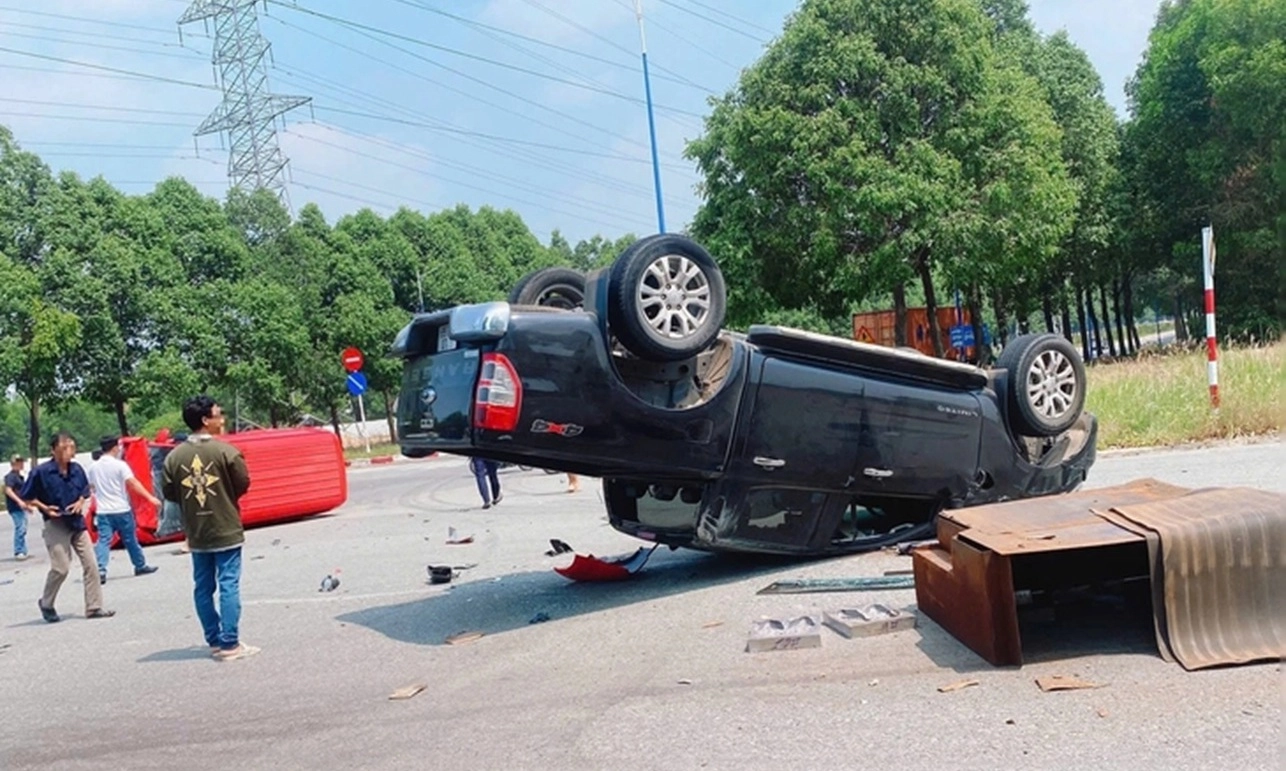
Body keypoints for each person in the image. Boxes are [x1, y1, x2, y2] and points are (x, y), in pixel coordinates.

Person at [162, 395, 255, 661]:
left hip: (197, 532)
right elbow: (243, 483)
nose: (221, 418)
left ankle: (214, 640)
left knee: (203, 587)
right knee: (228, 584)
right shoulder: (226, 452)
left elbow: (170, 492)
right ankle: (230, 644)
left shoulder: (173, 457)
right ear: (205, 420)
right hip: (225, 526)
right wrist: (223, 497)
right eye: (217, 414)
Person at [20, 432, 115, 622]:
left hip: (76, 522)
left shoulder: (77, 469)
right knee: (61, 568)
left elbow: (85, 491)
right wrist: (45, 507)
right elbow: (27, 496)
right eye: (64, 447)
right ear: (53, 450)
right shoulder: (41, 472)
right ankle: (46, 603)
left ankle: (94, 607)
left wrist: (80, 502)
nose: (68, 451)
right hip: (55, 523)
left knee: (92, 564)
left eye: (71, 447)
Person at [88, 436, 161, 584]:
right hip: (121, 508)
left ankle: (100, 570)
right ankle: (140, 565)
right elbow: (132, 483)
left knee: (104, 540)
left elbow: (92, 487)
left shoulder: (93, 468)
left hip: (103, 511)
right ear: (115, 447)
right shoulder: (120, 465)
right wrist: (150, 497)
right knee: (130, 540)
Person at [5, 454, 32, 560]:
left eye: (22, 462)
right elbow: (8, 490)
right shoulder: (11, 477)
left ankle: (23, 550)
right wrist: (19, 501)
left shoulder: (19, 477)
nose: (21, 464)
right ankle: (19, 551)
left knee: (23, 527)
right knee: (20, 528)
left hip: (20, 506)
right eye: (19, 462)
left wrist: (27, 505)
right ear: (13, 464)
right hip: (15, 507)